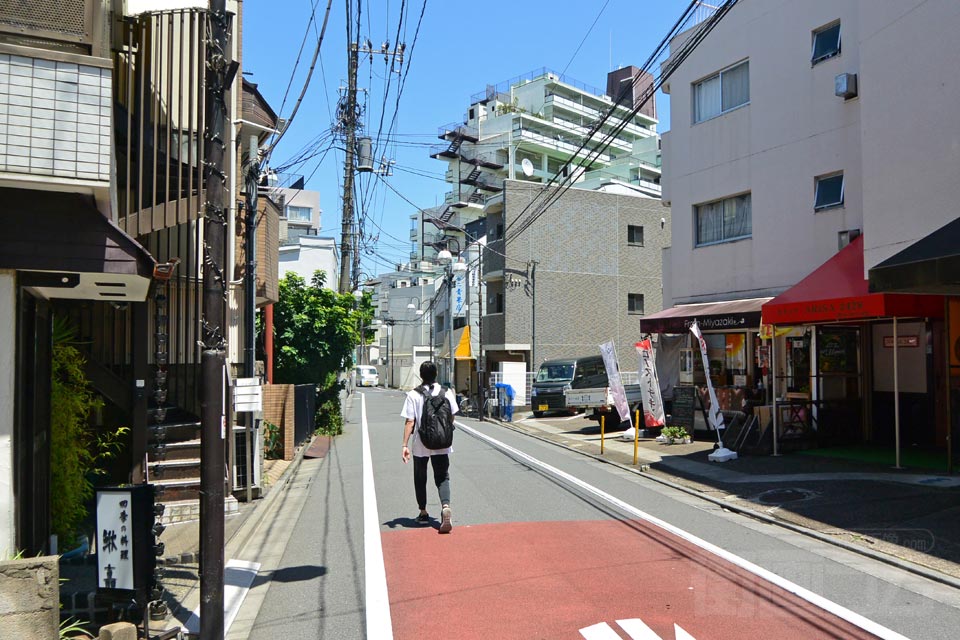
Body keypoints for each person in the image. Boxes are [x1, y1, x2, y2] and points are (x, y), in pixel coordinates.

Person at [400, 361, 458, 533]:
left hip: (421, 443)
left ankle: (423, 513)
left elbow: (410, 421)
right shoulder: (446, 392)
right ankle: (445, 505)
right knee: (442, 476)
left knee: (420, 476)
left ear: (421, 374)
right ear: (436, 374)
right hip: (442, 442)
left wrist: (404, 444)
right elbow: (452, 416)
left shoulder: (414, 394)